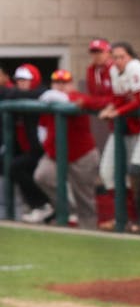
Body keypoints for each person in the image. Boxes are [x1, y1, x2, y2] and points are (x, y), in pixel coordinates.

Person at [24, 70, 99, 228]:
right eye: (57, 83)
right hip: (55, 154)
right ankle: (69, 210)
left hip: (82, 154)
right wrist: (47, 146)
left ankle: (89, 232)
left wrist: (56, 96)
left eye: (64, 83)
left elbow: (79, 101)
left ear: (71, 84)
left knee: (84, 198)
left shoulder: (78, 97)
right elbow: (42, 127)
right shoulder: (49, 101)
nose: (61, 86)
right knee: (42, 175)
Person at [96, 42, 140, 230]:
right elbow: (119, 97)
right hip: (121, 129)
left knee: (136, 174)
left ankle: (138, 220)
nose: (118, 61)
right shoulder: (114, 70)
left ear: (130, 56)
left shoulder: (135, 68)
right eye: (115, 57)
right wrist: (112, 107)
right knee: (107, 172)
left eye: (121, 57)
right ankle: (123, 217)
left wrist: (119, 111)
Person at [6, 64, 52, 221]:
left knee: (17, 167)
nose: (21, 83)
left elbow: (38, 94)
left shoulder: (43, 93)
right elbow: (10, 94)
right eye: (18, 80)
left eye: (25, 80)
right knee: (17, 167)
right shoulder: (16, 94)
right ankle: (39, 206)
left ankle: (43, 205)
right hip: (30, 148)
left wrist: (17, 93)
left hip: (46, 149)